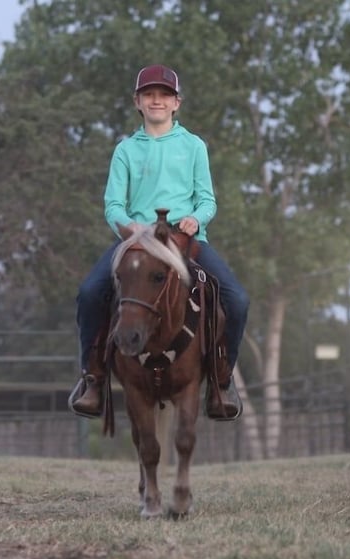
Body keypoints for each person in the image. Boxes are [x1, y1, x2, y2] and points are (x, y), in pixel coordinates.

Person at [69, 64, 249, 420]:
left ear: (176, 102)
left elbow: (207, 200)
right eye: (149, 95)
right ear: (137, 102)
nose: (157, 101)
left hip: (184, 240)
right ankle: (93, 377)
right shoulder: (125, 151)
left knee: (237, 299)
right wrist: (130, 228)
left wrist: (196, 219)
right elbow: (113, 206)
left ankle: (221, 380)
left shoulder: (194, 146)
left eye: (164, 95)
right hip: (138, 241)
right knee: (90, 292)